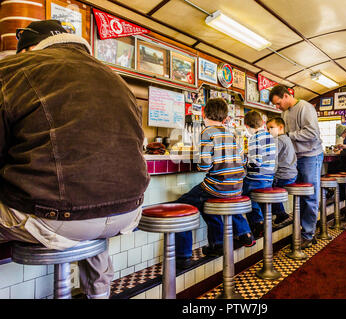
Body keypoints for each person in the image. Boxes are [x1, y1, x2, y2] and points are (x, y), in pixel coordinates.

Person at [0, 20, 150, 299]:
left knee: (77, 205)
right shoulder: (115, 78)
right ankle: (99, 293)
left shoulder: (12, 69)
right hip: (127, 212)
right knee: (91, 208)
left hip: (55, 217)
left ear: (28, 49)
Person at [174, 98, 253, 270]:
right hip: (236, 188)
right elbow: (242, 159)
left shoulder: (207, 132)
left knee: (181, 205)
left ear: (203, 113)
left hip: (217, 187)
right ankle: (217, 245)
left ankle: (183, 256)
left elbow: (204, 166)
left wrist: (199, 163)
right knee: (206, 204)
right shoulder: (231, 133)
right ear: (225, 118)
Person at [269, 85, 323, 248]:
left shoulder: (305, 108)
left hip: (310, 155)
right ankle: (303, 230)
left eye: (278, 103)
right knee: (298, 195)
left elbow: (312, 133)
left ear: (286, 96)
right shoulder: (284, 112)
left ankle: (308, 234)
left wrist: (288, 135)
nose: (278, 107)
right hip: (295, 157)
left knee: (309, 195)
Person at [241, 110, 277, 237]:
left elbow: (256, 162)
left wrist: (244, 162)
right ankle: (261, 222)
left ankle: (257, 223)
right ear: (262, 123)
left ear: (246, 126)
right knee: (253, 197)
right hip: (269, 179)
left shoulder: (254, 138)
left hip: (257, 179)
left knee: (240, 193)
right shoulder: (269, 137)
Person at [266, 117, 297, 226]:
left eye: (271, 128)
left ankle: (280, 213)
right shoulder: (287, 139)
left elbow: (271, 158)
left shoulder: (277, 140)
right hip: (292, 175)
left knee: (268, 188)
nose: (269, 131)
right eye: (267, 128)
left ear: (280, 127)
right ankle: (279, 213)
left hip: (283, 176)